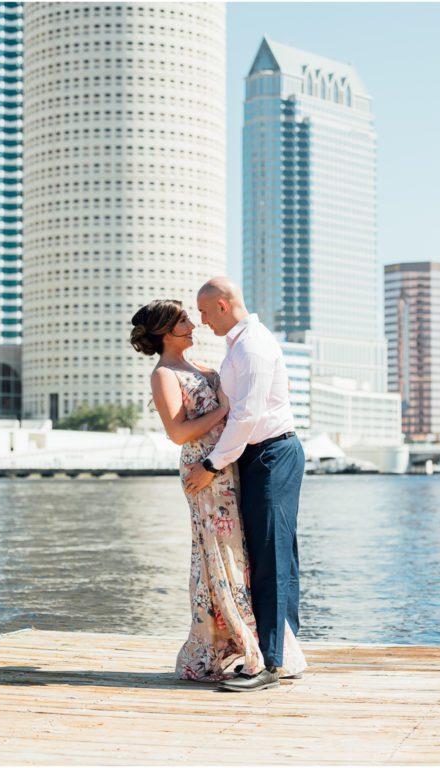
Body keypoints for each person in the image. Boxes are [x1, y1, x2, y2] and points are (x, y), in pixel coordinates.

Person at [132, 299, 271, 683]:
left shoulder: (204, 366)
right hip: (201, 471)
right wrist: (225, 414)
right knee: (218, 555)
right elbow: (177, 432)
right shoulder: (163, 374)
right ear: (164, 332)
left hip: (226, 467)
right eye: (183, 321)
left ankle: (237, 642)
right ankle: (238, 643)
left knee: (235, 553)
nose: (193, 325)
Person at [183, 277, 307, 692]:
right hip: (260, 456)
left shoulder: (252, 345)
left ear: (222, 304)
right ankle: (284, 656)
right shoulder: (239, 344)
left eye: (203, 311)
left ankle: (270, 665)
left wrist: (212, 465)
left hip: (272, 453)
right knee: (273, 554)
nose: (200, 320)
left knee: (272, 557)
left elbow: (247, 416)